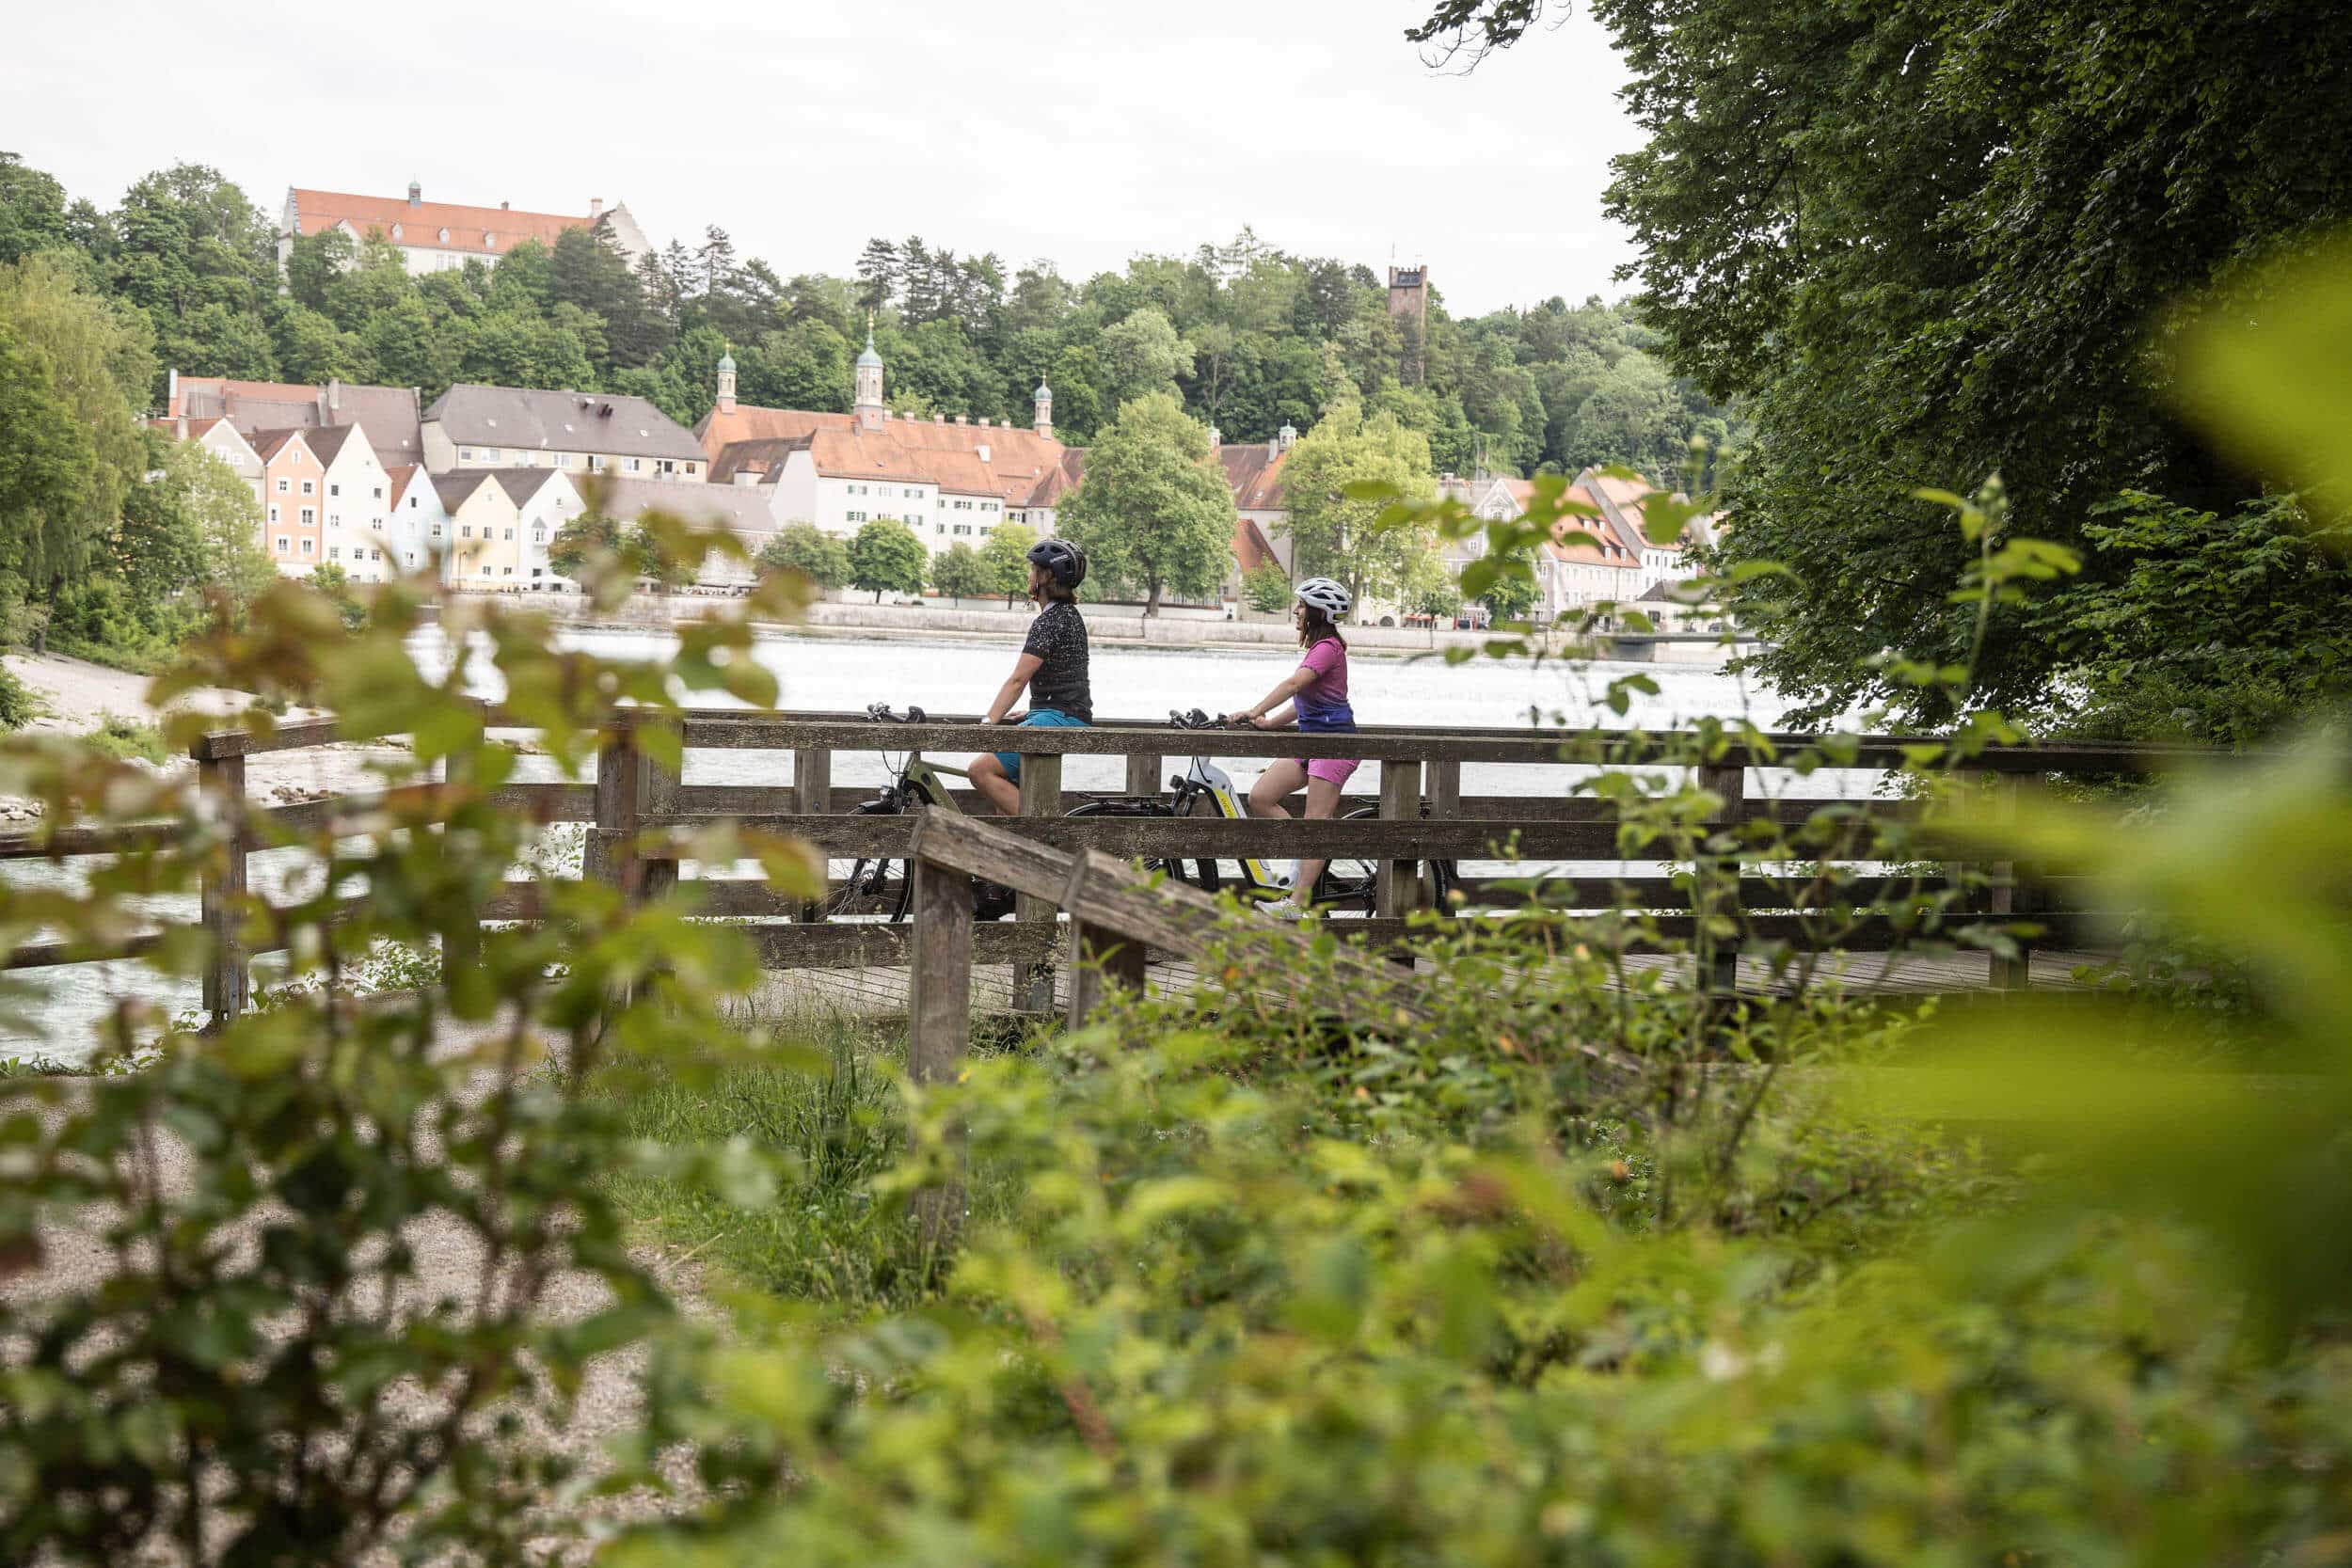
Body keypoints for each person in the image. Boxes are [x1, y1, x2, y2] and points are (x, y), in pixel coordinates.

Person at [1224, 577, 1358, 913]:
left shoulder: (1328, 648)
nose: (1296, 611)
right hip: (1310, 741)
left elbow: (1295, 683)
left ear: (1317, 612)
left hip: (1334, 744)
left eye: (1301, 606)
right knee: (1261, 796)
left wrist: (1257, 709)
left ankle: (1298, 901)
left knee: (1316, 822)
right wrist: (1269, 723)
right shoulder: (1318, 648)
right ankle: (1303, 858)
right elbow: (1304, 700)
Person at [969, 539, 1091, 814]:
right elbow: (1066, 678)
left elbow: (1017, 680)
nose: (1028, 575)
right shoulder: (1070, 615)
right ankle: (1023, 847)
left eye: (1033, 569)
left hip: (1059, 718)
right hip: (1062, 714)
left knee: (980, 771)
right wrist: (1037, 711)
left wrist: (988, 723)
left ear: (1046, 577)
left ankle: (1047, 837)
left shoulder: (1049, 621)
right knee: (1008, 789)